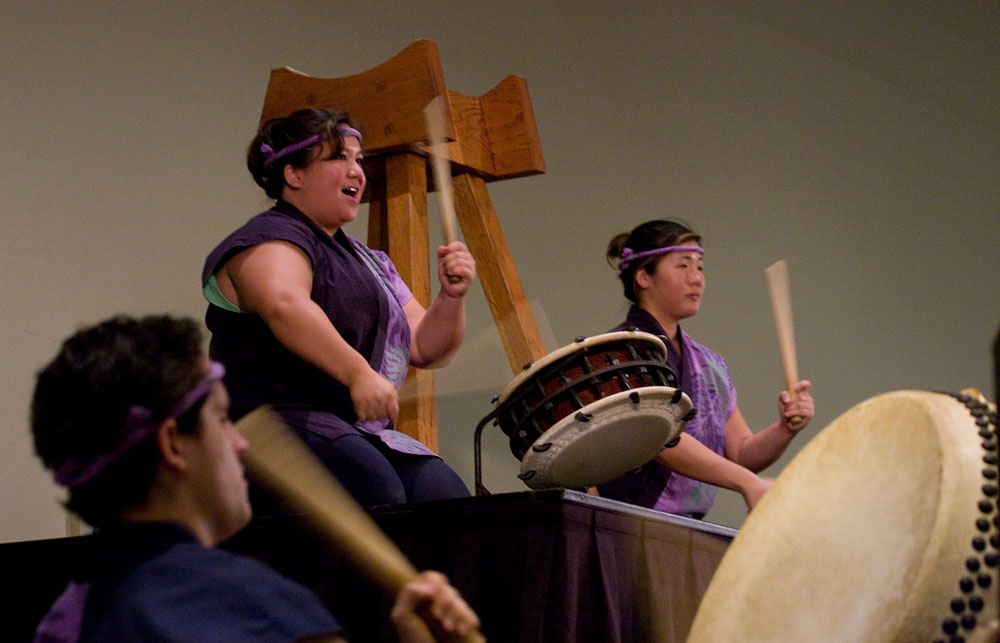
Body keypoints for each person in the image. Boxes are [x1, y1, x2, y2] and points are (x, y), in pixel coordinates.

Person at [30, 314, 481, 642]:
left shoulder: (65, 620)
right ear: (172, 443)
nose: (241, 445)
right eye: (223, 419)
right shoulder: (252, 607)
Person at [201, 108, 474, 509]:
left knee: (445, 499)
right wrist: (358, 374)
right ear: (293, 174)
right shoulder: (267, 239)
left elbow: (425, 347)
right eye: (339, 158)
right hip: (269, 423)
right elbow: (284, 304)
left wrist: (451, 299)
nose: (357, 171)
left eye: (358, 160)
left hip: (351, 429)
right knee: (374, 489)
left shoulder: (369, 261)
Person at [597, 220, 815, 517]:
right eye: (683, 266)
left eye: (700, 267)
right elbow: (659, 437)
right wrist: (747, 483)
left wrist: (785, 428)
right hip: (629, 525)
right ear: (644, 277)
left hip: (688, 529)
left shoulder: (708, 364)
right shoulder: (620, 353)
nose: (696, 278)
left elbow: (741, 452)